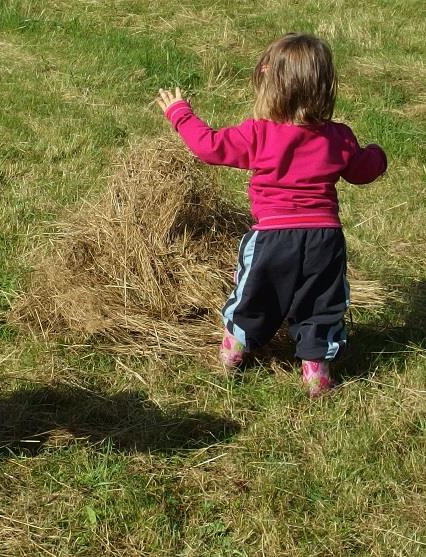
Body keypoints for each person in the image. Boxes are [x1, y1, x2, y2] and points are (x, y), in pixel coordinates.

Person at [156, 33, 387, 396]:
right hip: (324, 239)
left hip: (272, 238)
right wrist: (376, 154)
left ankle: (235, 349)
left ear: (270, 86)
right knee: (321, 303)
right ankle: (316, 371)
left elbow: (209, 147)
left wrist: (180, 114)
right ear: (324, 87)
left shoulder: (258, 134)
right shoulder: (339, 138)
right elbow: (362, 171)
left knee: (255, 294)